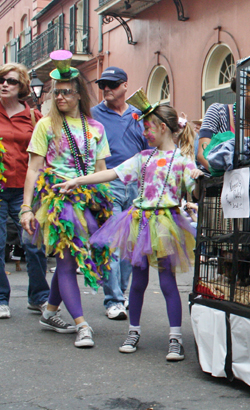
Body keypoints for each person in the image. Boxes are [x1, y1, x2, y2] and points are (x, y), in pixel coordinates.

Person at [56, 105, 202, 361]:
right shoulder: (142, 157)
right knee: (138, 282)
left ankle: (175, 338)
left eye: (147, 128)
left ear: (163, 128)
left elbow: (196, 191)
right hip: (140, 224)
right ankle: (133, 331)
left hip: (166, 225)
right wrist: (77, 180)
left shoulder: (182, 161)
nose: (144, 133)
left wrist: (198, 178)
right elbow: (112, 173)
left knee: (167, 283)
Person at [20, 51, 114, 349]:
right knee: (66, 260)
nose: (59, 98)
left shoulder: (96, 128)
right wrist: (26, 207)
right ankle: (82, 324)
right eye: (55, 93)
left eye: (66, 93)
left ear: (78, 94)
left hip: (87, 201)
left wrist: (105, 208)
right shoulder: (45, 126)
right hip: (57, 202)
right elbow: (33, 169)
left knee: (71, 259)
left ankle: (49, 312)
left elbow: (101, 171)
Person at [91, 65, 148, 320]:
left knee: (129, 245)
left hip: (136, 183)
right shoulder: (93, 115)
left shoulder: (139, 115)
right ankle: (113, 300)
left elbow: (149, 148)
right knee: (113, 243)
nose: (106, 90)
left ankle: (120, 295)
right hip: (109, 181)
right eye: (103, 85)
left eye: (112, 85)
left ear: (125, 86)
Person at [0, 63, 49, 319]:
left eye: (10, 81)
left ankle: (39, 296)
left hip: (25, 191)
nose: (4, 84)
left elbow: (44, 153)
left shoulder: (34, 117)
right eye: (1, 80)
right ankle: (0, 298)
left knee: (33, 244)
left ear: (22, 87)